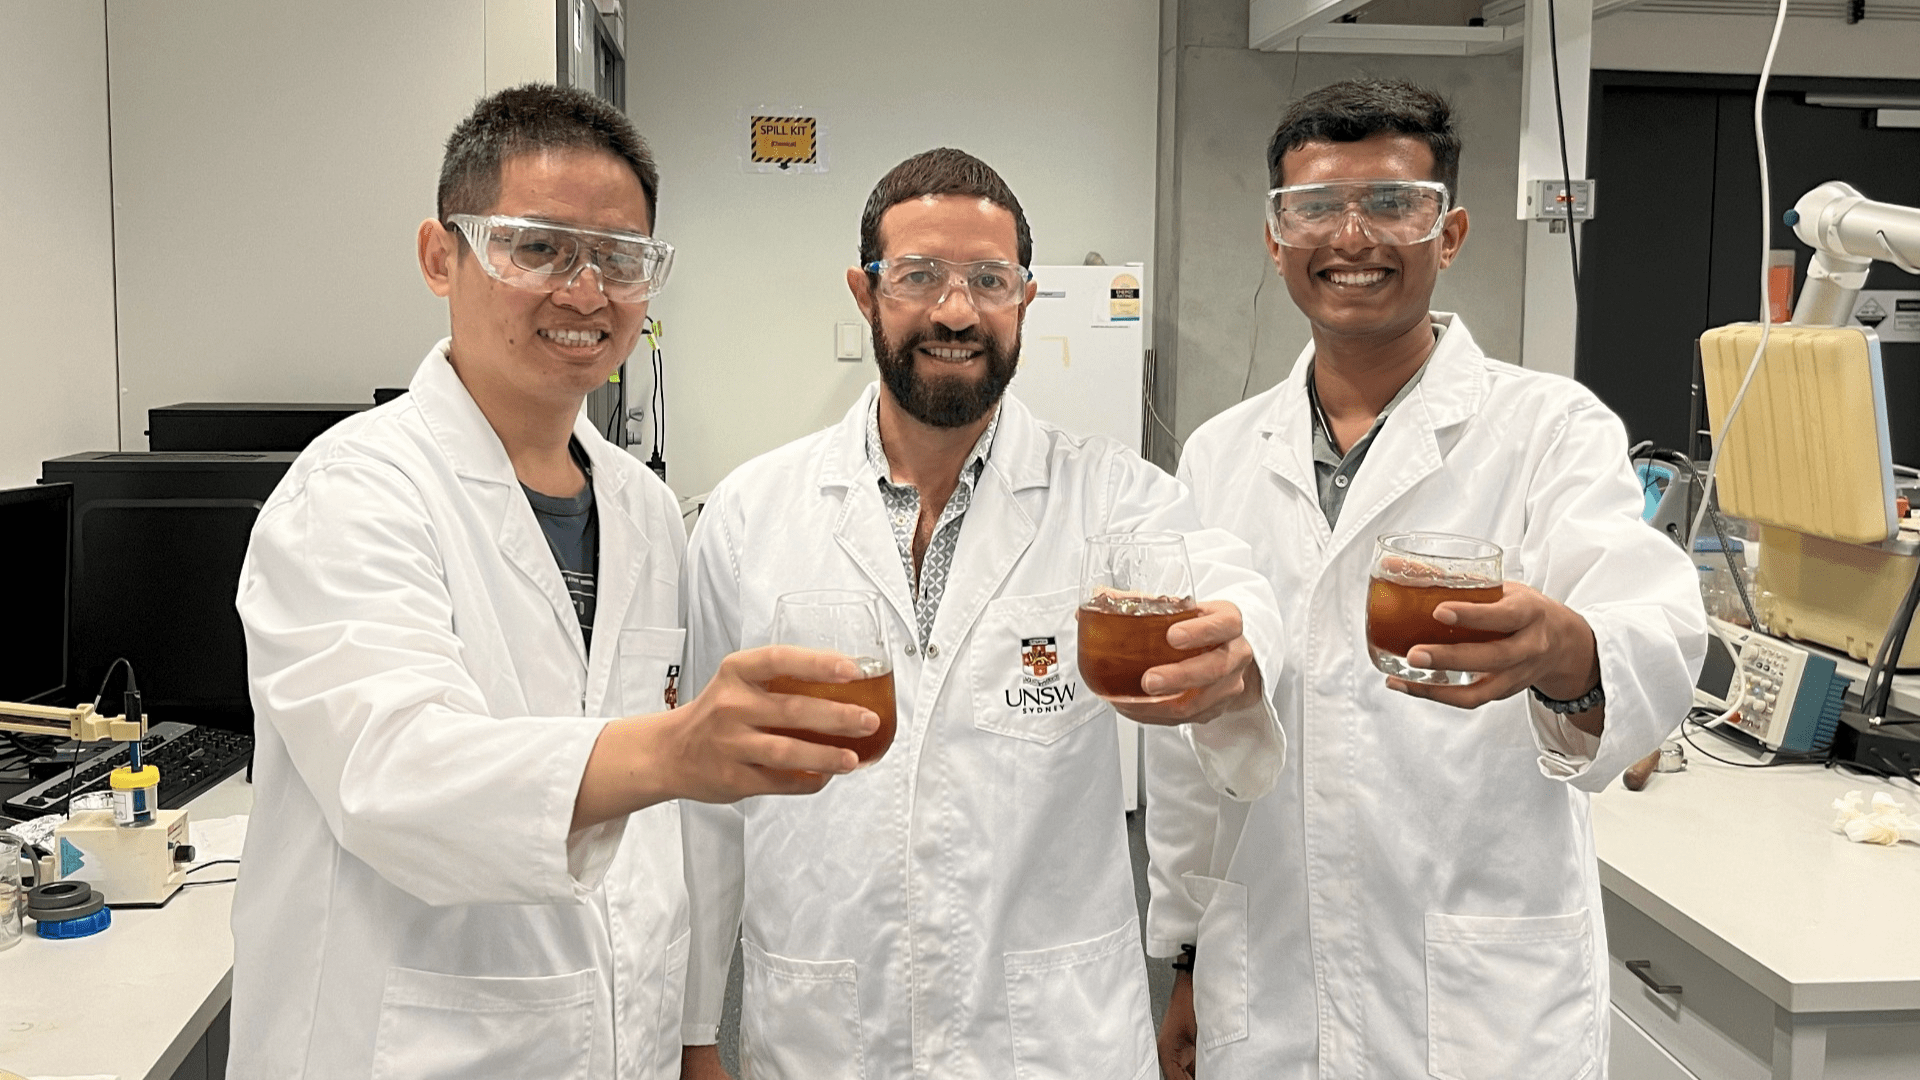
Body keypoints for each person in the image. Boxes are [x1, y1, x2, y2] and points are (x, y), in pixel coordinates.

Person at [228, 84, 880, 1079]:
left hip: (621, 1041)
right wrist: (675, 748)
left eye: (620, 259)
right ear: (440, 256)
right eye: (537, 248)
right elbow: (395, 776)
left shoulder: (643, 508)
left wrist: (689, 1037)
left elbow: (654, 839)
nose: (586, 292)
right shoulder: (353, 494)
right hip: (407, 1048)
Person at [677, 148, 1288, 1080]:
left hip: (1048, 1039)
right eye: (919, 276)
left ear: (1025, 301)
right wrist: (694, 1028)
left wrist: (1235, 654)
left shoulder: (1111, 495)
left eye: (989, 281)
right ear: (865, 292)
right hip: (824, 1031)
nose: (956, 311)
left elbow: (1225, 578)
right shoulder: (750, 516)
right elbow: (706, 797)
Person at [1148, 80, 1707, 1080]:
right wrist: (1189, 953)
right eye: (1315, 207)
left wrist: (1562, 649)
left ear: (1448, 235)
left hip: (1478, 996)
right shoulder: (1220, 455)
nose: (1350, 236)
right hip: (1271, 975)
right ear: (1275, 239)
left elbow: (1655, 627)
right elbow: (1195, 748)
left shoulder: (1548, 429)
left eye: (1392, 204)